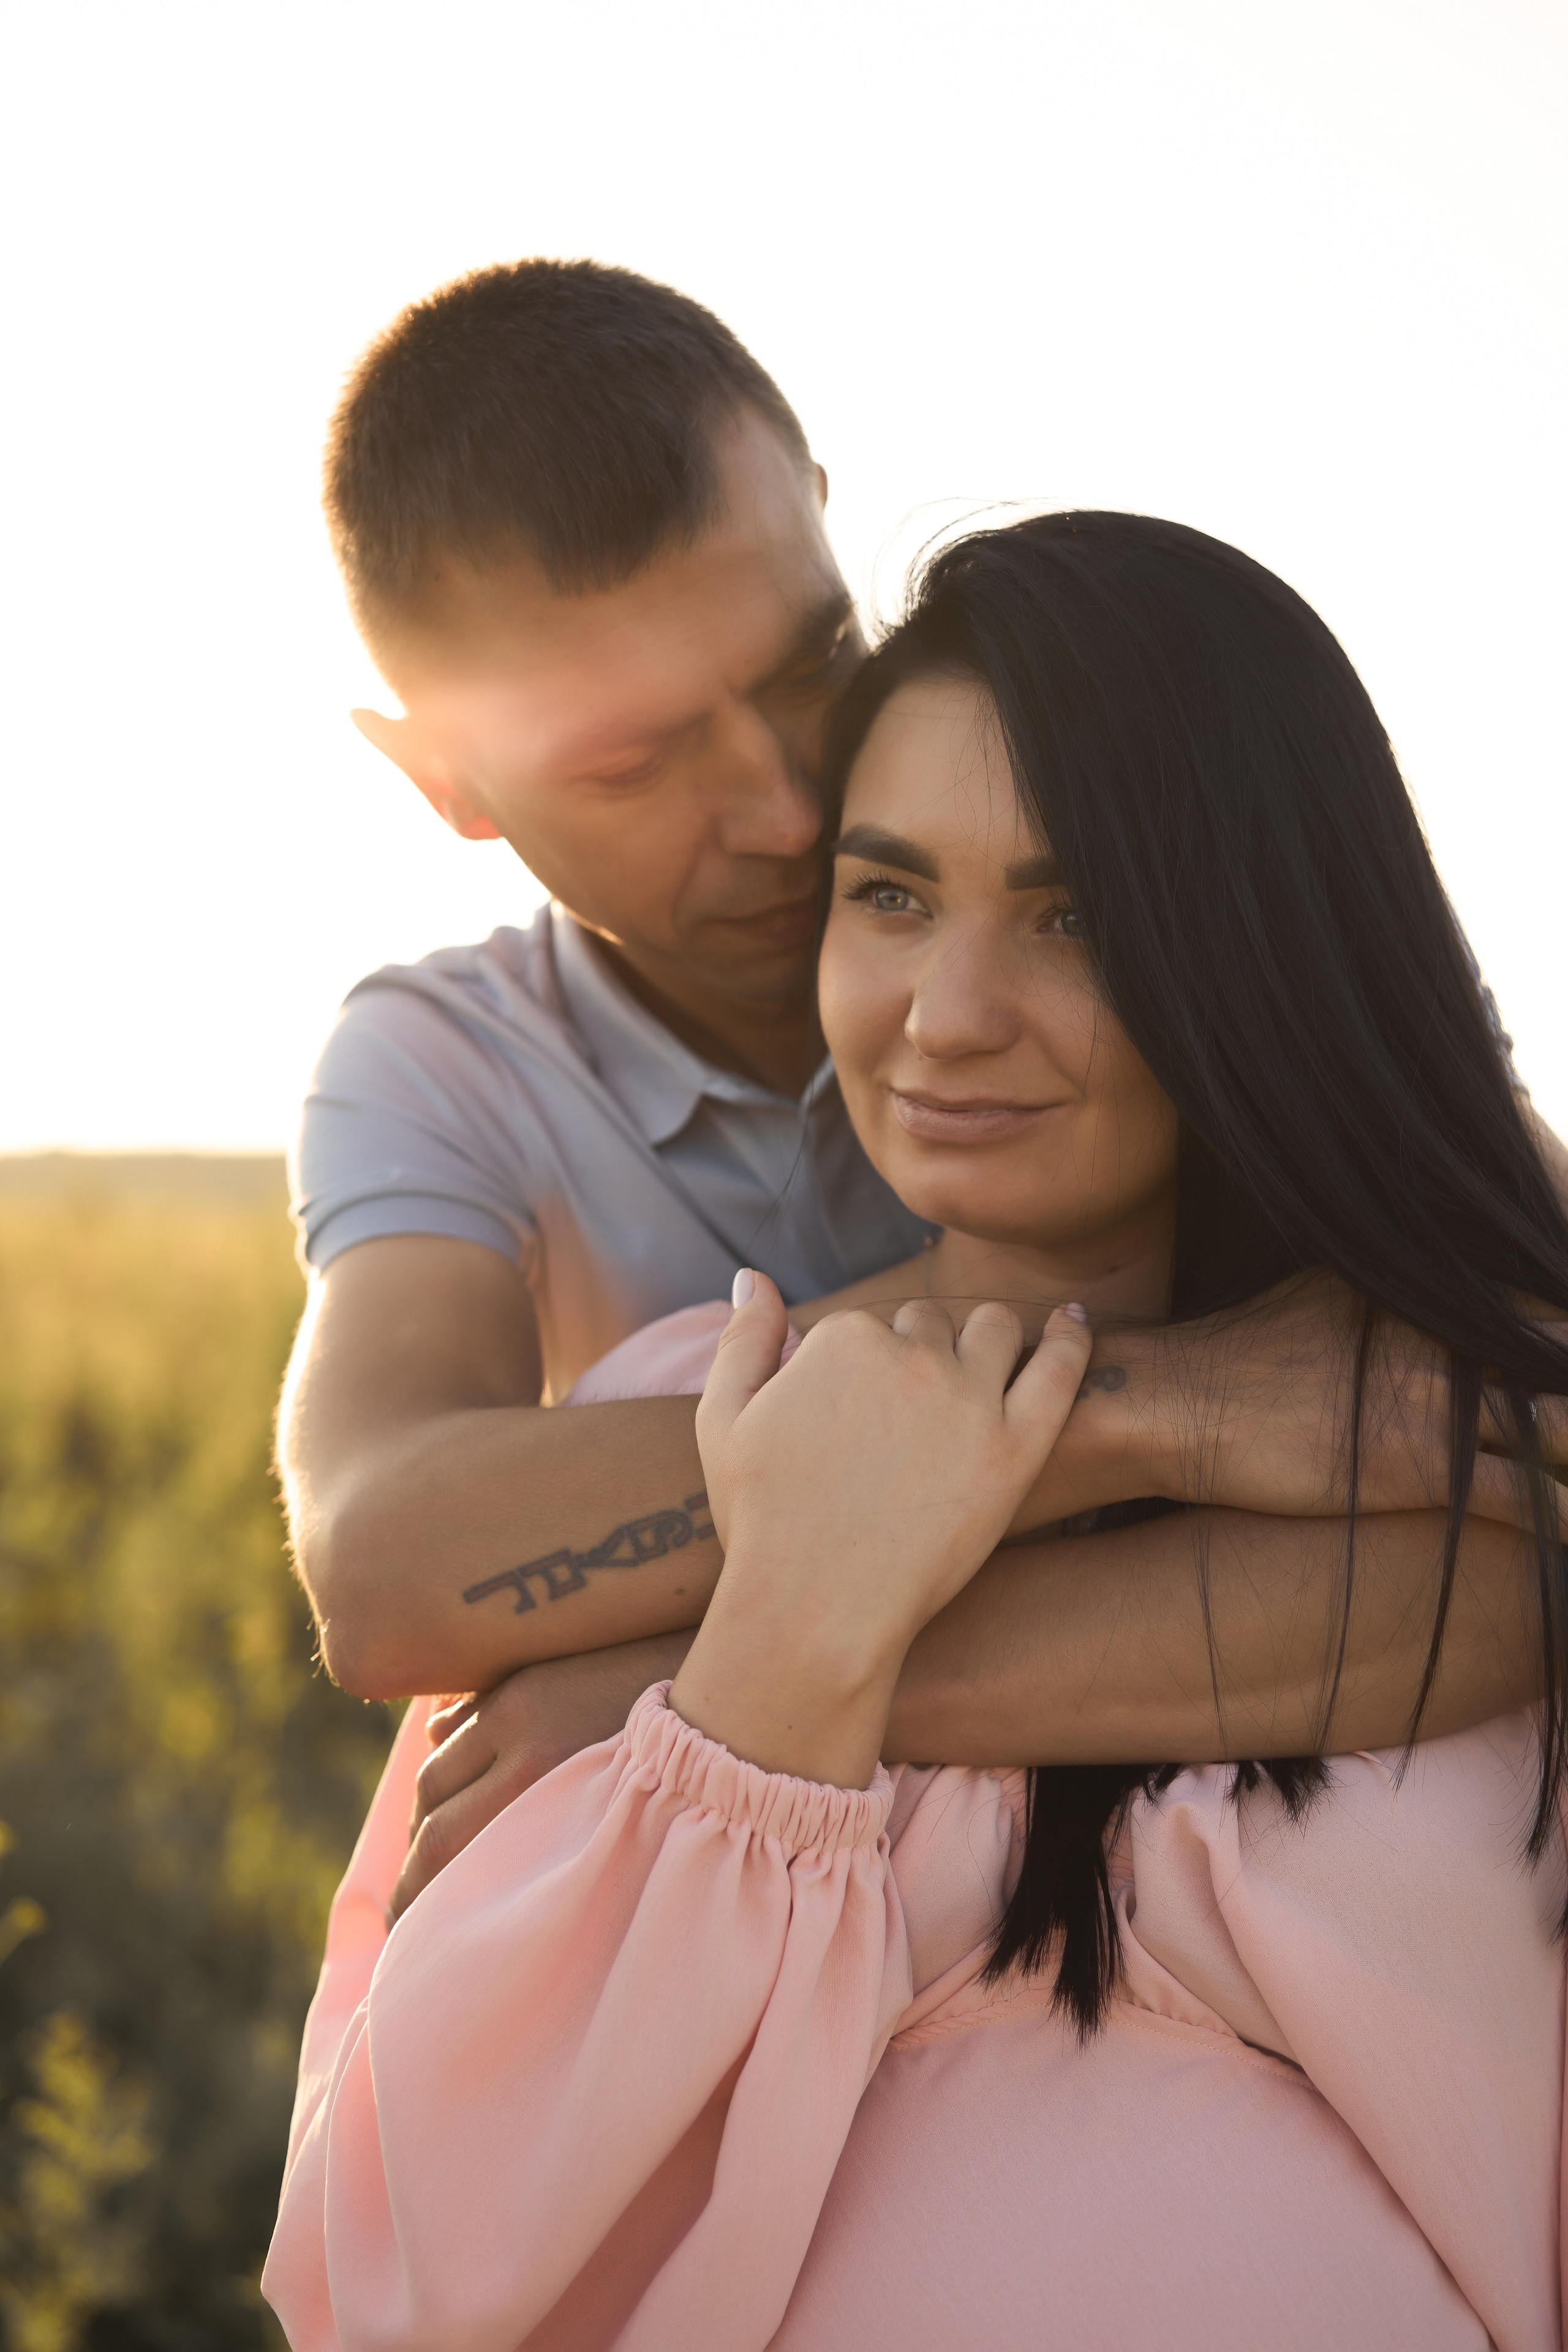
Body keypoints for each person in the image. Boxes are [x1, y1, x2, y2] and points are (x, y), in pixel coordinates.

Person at [265, 513, 1568, 2348]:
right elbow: (409, 2267)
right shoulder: (659, 1423)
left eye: (1076, 916)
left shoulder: (1451, 1419)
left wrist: (678, 1685)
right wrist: (753, 1685)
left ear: (1264, 943)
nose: (947, 1020)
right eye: (888, 897)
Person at [281, 262, 1554, 1916]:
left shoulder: (1187, 897)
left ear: (820, 515)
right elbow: (387, 1571)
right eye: (633, 759)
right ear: (448, 778)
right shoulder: (448, 1065)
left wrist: (712, 1677)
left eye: (809, 658)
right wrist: (1181, 1405)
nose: (785, 805)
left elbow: (1520, 1488)